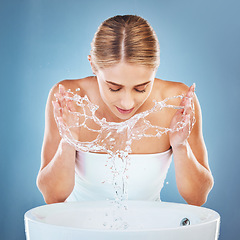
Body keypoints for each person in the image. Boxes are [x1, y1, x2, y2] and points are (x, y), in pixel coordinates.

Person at [37, 15, 214, 206]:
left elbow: (198, 198)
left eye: (141, 88)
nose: (128, 103)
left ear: (155, 70)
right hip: (78, 229)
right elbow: (52, 197)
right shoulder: (70, 99)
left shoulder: (177, 102)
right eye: (114, 88)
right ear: (93, 66)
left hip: (148, 230)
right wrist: (68, 142)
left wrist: (181, 146)